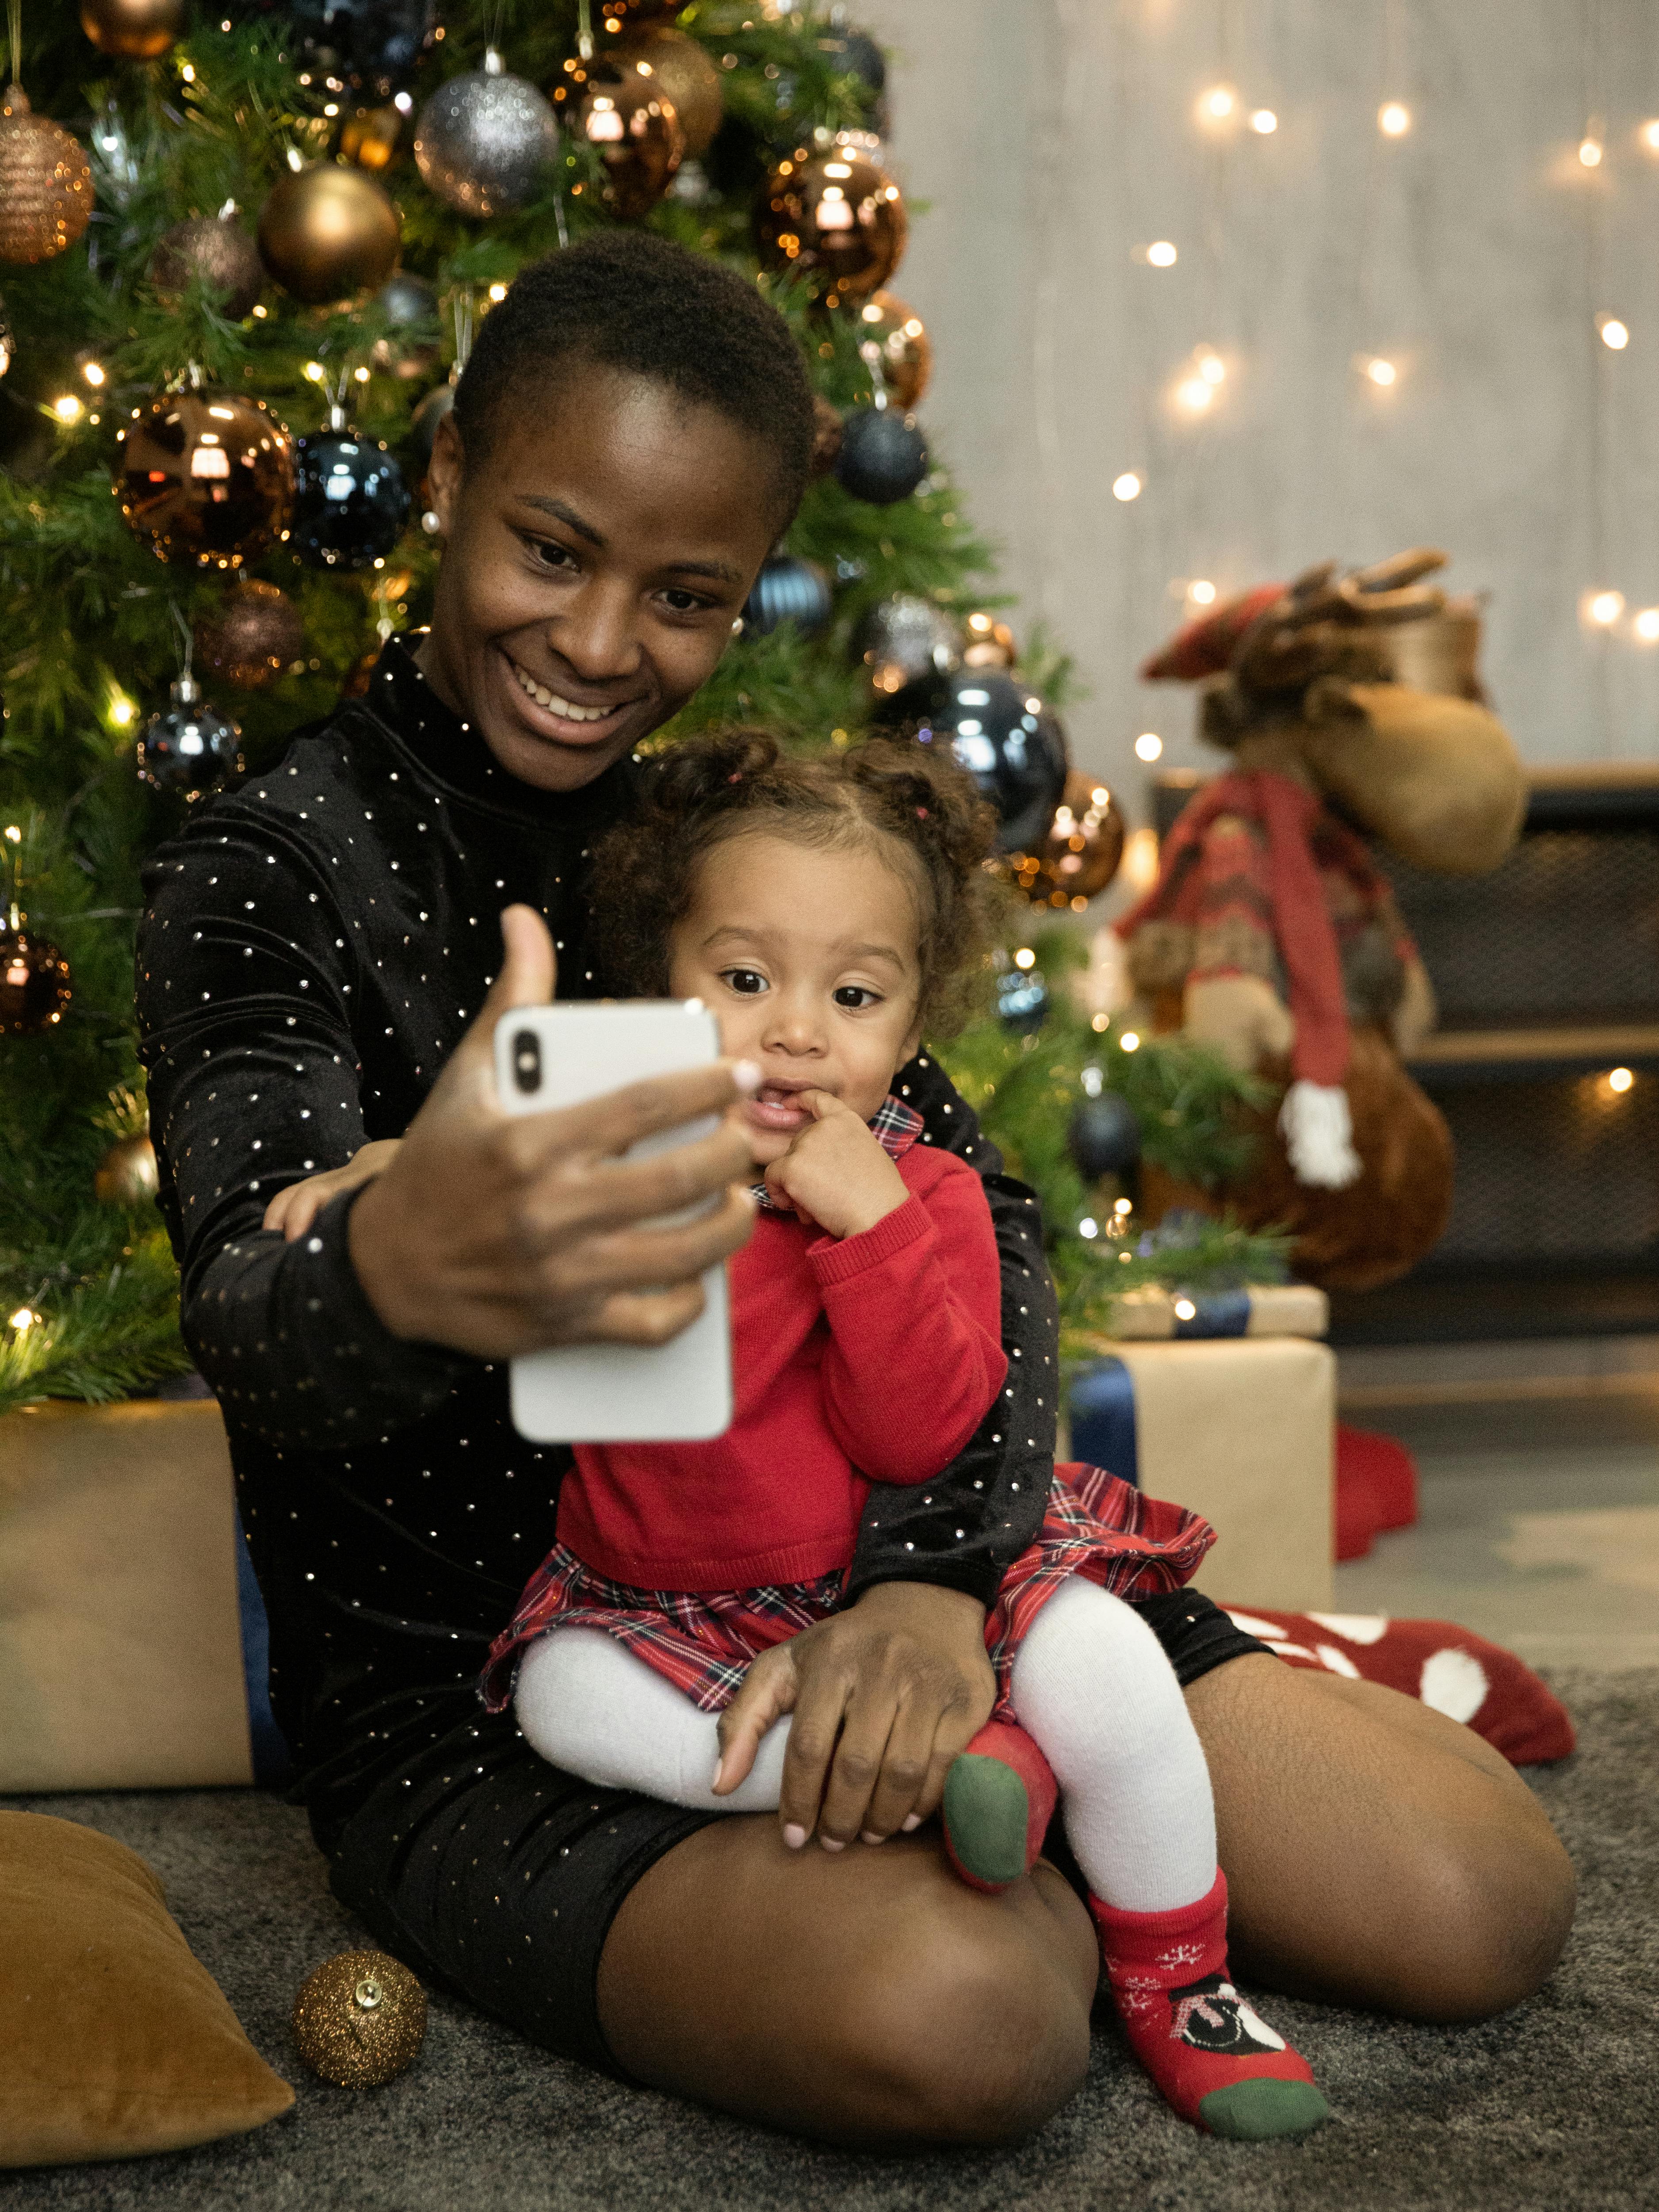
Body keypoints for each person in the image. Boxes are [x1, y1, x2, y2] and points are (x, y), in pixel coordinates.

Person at [136, 232, 1574, 2151]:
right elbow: (247, 1317)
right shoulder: (268, 867)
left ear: (744, 601)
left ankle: (1031, 1771)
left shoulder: (749, 834)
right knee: (971, 2019)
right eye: (549, 550)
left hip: (890, 1549)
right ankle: (1019, 1846)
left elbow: (984, 1221)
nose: (594, 642)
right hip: (515, 1697)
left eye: (683, 595)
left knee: (1479, 1897)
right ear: (445, 477)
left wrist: (932, 1590)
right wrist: (400, 1262)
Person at [270, 728, 1328, 2138]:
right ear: (666, 981)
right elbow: (472, 1189)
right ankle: (955, 1776)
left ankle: (1179, 1975)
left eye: (854, 993)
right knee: (559, 1703)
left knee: (1116, 1676)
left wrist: (867, 1229)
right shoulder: (609, 1153)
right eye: (745, 979)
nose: (795, 1029)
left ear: (910, 1023)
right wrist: (382, 1175)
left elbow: (927, 1431)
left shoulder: (925, 1193)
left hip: (880, 1590)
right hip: (666, 1609)